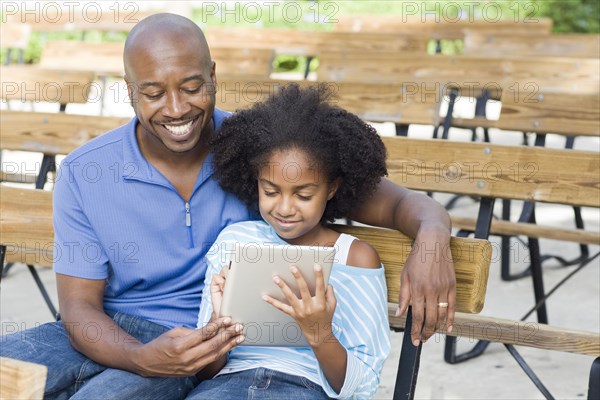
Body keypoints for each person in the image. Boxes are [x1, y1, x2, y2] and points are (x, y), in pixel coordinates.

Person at [0, 13, 455, 399]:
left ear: (214, 76)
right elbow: (79, 310)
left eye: (193, 87)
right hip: (98, 333)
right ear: (130, 90)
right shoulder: (86, 171)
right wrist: (139, 357)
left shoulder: (264, 153)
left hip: (199, 346)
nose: (176, 109)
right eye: (154, 93)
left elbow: (395, 203)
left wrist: (433, 240)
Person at [190, 83, 391, 399]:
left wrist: (319, 333)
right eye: (270, 191)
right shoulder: (235, 242)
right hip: (225, 385)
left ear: (333, 189)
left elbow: (362, 387)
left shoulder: (355, 259)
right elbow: (205, 371)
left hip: (306, 387)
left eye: (304, 195)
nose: (284, 208)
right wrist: (219, 325)